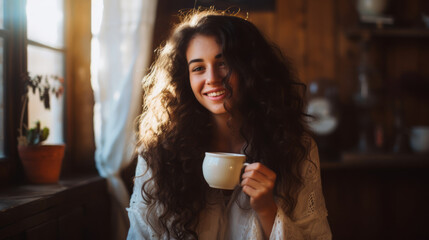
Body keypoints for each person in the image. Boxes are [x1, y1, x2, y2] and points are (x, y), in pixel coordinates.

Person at [127, 9, 332, 240]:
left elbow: (317, 236)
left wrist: (267, 209)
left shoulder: (295, 149)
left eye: (223, 63)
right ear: (186, 79)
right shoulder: (159, 153)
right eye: (198, 68)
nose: (212, 78)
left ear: (252, 69)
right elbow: (139, 234)